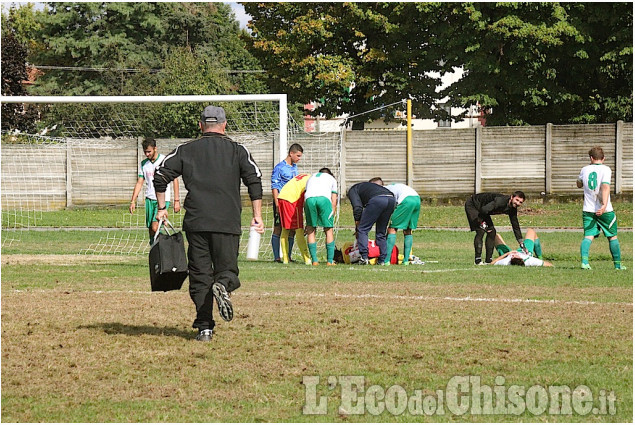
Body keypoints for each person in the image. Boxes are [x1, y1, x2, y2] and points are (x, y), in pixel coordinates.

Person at [153, 105, 264, 342]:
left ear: (201, 126)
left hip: (197, 223)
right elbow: (254, 180)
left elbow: (160, 175)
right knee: (227, 270)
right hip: (227, 222)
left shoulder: (186, 150)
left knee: (201, 276)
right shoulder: (237, 150)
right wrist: (257, 215)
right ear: (224, 125)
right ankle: (223, 284)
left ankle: (204, 328)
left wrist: (162, 209)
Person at [577, 146, 624, 270]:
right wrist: (603, 205)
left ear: (591, 158)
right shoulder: (606, 169)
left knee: (588, 235)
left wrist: (583, 182)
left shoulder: (584, 169)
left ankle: (585, 262)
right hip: (605, 209)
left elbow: (578, 183)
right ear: (603, 158)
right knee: (612, 236)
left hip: (588, 209)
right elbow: (605, 186)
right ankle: (618, 265)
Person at [129, 137, 180, 243]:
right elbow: (140, 182)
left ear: (155, 149)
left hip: (162, 199)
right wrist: (133, 200)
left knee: (155, 227)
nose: (147, 154)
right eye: (145, 152)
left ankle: (164, 246)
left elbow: (175, 180)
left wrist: (176, 200)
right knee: (151, 230)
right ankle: (154, 250)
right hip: (149, 199)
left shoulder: (164, 161)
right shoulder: (144, 164)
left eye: (149, 151)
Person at [464, 191, 526, 265]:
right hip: (473, 205)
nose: (518, 203)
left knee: (492, 232)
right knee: (481, 230)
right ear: (512, 197)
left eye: (520, 202)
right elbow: (484, 210)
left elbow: (515, 225)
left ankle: (488, 261)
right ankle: (477, 261)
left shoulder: (512, 209)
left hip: (483, 209)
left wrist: (521, 242)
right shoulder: (500, 201)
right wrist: (479, 222)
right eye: (517, 200)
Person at [347, 177, 396, 265]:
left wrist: (357, 225)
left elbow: (357, 208)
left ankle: (364, 257)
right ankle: (382, 260)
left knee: (362, 229)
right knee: (381, 232)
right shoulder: (367, 188)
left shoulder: (352, 190)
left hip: (378, 199)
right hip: (392, 199)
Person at [271, 143, 304, 262]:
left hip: (292, 202)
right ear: (291, 153)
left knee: (292, 229)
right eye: (298, 156)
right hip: (281, 201)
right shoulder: (279, 167)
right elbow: (274, 186)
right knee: (278, 228)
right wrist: (277, 203)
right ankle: (276, 257)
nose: (299, 159)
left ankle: (288, 256)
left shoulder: (294, 167)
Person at [304, 168, 338, 265]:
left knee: (311, 229)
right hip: (324, 199)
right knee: (328, 230)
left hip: (309, 200)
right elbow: (334, 200)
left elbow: (305, 196)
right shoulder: (332, 179)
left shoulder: (311, 177)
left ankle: (314, 261)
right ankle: (330, 261)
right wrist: (333, 212)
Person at [382, 182, 421, 265]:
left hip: (406, 200)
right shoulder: (394, 186)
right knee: (408, 230)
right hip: (417, 199)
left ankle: (386, 260)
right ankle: (406, 261)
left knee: (392, 229)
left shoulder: (384, 190)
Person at [277, 172, 312, 265]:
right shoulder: (312, 181)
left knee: (285, 229)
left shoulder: (306, 175)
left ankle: (285, 258)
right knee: (299, 229)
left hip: (281, 197)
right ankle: (306, 258)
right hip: (292, 200)